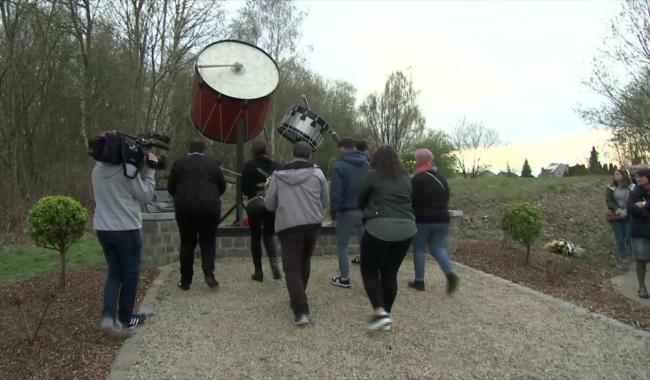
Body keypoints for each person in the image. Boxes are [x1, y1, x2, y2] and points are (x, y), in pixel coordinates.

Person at [91, 134, 157, 339]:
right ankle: (127, 318)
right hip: (126, 228)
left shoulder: (97, 170)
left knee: (114, 273)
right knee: (130, 273)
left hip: (103, 228)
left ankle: (108, 318)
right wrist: (150, 171)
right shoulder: (127, 171)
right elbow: (146, 196)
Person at [264, 141, 329, 326]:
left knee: (291, 268)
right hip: (312, 225)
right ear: (309, 155)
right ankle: (299, 295)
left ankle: (301, 311)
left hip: (289, 226)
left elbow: (269, 205)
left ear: (293, 154)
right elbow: (325, 201)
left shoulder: (278, 175)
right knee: (304, 261)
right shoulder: (318, 174)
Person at [358, 145, 416, 331]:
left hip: (379, 227)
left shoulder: (373, 175)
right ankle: (386, 315)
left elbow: (360, 199)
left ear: (376, 158)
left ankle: (380, 312)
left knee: (370, 271)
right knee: (390, 272)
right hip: (407, 229)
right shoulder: (406, 178)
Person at [167, 140, 226, 291]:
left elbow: (170, 187)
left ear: (189, 149)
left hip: (185, 208)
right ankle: (209, 275)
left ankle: (185, 280)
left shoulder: (179, 163)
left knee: (187, 243)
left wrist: (180, 196)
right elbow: (222, 186)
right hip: (209, 207)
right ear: (204, 150)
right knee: (208, 242)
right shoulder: (212, 164)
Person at [407, 148, 459, 292]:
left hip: (423, 219)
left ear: (419, 161)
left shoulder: (418, 178)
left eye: (415, 159)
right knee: (437, 247)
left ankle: (419, 281)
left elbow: (411, 199)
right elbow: (447, 196)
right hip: (442, 218)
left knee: (419, 249)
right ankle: (450, 273)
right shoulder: (441, 178)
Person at [329, 137, 369, 288]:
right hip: (364, 211)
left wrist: (334, 213)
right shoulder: (367, 165)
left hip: (346, 211)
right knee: (365, 245)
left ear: (342, 148)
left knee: (342, 245)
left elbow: (336, 193)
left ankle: (344, 278)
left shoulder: (339, 166)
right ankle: (369, 278)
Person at [241, 140, 281, 282]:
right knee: (269, 235)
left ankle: (258, 272)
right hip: (270, 205)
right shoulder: (276, 166)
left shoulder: (248, 166)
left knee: (255, 237)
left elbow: (244, 188)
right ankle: (274, 265)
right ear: (267, 151)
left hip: (254, 204)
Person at [627, 168, 650, 298]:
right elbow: (631, 208)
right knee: (640, 259)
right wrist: (646, 213)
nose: (638, 178)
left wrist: (644, 204)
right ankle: (642, 286)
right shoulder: (635, 192)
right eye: (637, 176)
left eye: (641, 176)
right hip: (640, 230)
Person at [605, 168, 634, 270]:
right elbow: (608, 200)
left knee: (629, 237)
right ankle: (623, 259)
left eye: (617, 174)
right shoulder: (611, 188)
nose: (615, 176)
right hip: (616, 217)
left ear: (623, 175)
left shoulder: (632, 187)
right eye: (614, 174)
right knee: (620, 238)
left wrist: (627, 211)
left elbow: (635, 199)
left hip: (629, 215)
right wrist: (617, 210)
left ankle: (632, 258)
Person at [351, 138, 370, 265]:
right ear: (366, 149)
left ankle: (363, 255)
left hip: (353, 202)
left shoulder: (349, 161)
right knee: (365, 231)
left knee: (361, 232)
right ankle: (365, 255)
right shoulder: (369, 162)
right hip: (368, 202)